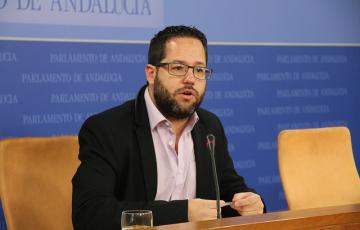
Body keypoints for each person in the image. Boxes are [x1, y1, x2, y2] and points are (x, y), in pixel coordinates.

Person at [72, 25, 265, 229]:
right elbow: (89, 213)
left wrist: (250, 204)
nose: (190, 79)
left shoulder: (210, 126)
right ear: (151, 74)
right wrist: (183, 213)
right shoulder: (106, 129)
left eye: (199, 70)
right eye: (178, 68)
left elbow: (229, 192)